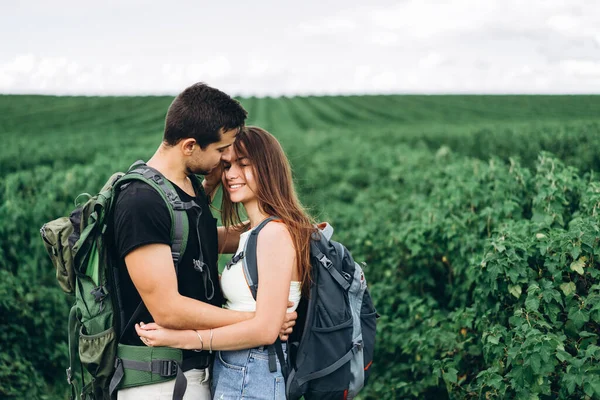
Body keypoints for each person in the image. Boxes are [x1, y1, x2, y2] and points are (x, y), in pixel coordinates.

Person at [112, 85, 296, 400]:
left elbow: (210, 240)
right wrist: (262, 321)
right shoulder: (141, 201)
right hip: (159, 381)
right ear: (190, 146)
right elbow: (168, 310)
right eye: (222, 150)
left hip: (199, 372)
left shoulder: (188, 190)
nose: (226, 159)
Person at [136, 126, 317, 399]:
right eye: (226, 165)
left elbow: (266, 330)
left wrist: (184, 338)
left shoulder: (274, 234)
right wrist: (208, 184)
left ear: (268, 169)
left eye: (243, 165)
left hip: (253, 371)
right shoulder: (252, 233)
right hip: (238, 368)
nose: (231, 174)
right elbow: (193, 233)